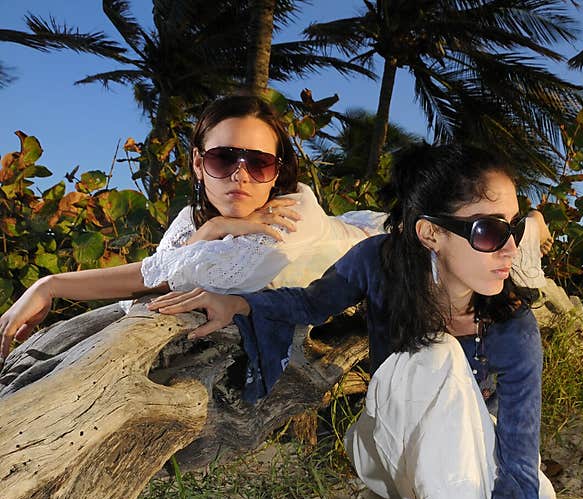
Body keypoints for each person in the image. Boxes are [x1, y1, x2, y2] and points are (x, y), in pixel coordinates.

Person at [147, 142, 583, 499]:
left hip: (480, 456)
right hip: (394, 441)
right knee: (434, 354)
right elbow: (309, 304)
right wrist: (236, 303)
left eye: (515, 229)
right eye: (488, 231)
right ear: (430, 234)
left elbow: (517, 459)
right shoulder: (380, 262)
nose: (510, 249)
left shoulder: (513, 325)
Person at [0, 94, 553, 363]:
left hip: (388, 246)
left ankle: (532, 228)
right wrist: (46, 285)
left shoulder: (291, 217)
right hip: (367, 244)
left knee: (505, 248)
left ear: (277, 170)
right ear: (197, 163)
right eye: (222, 160)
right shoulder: (200, 222)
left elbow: (163, 276)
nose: (240, 174)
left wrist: (216, 230)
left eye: (259, 163)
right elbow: (152, 271)